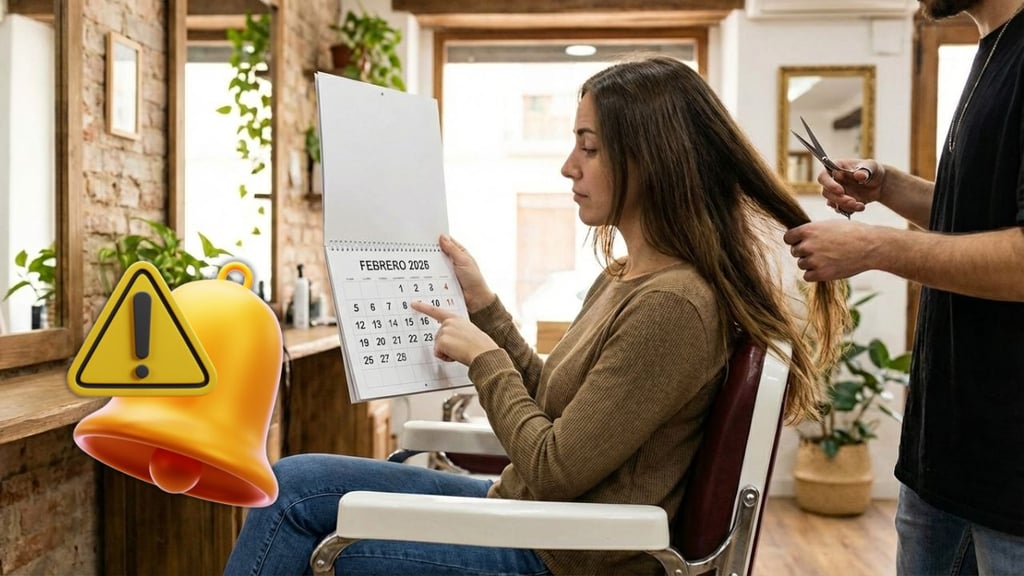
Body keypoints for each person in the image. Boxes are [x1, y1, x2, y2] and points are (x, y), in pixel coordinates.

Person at [225, 55, 848, 576]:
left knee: (303, 531)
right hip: (531, 518)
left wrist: (484, 359)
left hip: (559, 554)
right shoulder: (627, 277)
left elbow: (551, 469)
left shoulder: (673, 307)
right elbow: (553, 403)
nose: (568, 167)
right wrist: (486, 307)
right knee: (291, 484)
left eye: (589, 148)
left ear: (650, 162)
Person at [782, 1, 1024, 573]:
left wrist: (876, 248)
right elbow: (977, 214)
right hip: (944, 459)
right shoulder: (992, 52)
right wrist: (888, 187)